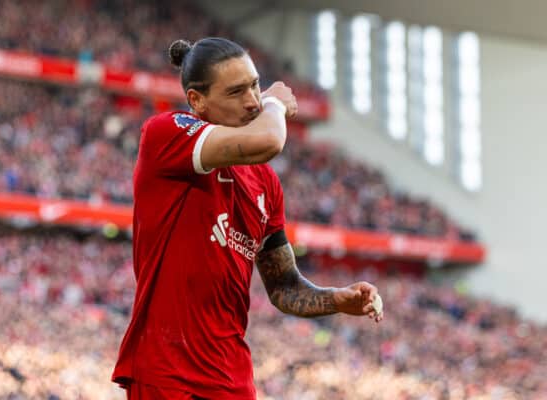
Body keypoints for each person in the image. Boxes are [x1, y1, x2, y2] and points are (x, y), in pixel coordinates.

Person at [112, 37, 384, 400]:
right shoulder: (166, 134)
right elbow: (269, 140)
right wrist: (275, 103)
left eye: (256, 85)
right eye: (237, 91)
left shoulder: (266, 183)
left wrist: (337, 299)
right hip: (167, 374)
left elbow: (284, 287)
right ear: (197, 101)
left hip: (232, 380)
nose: (254, 101)